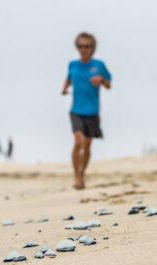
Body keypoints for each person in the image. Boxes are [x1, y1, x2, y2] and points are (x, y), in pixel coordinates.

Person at [62, 32, 112, 189]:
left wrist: (101, 80)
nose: (84, 49)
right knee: (79, 142)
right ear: (77, 47)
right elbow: (69, 78)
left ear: (92, 48)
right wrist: (64, 87)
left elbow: (109, 84)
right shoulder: (73, 65)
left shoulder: (99, 65)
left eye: (87, 46)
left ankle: (82, 173)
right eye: (81, 46)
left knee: (88, 146)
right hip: (76, 111)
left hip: (92, 112)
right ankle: (76, 176)